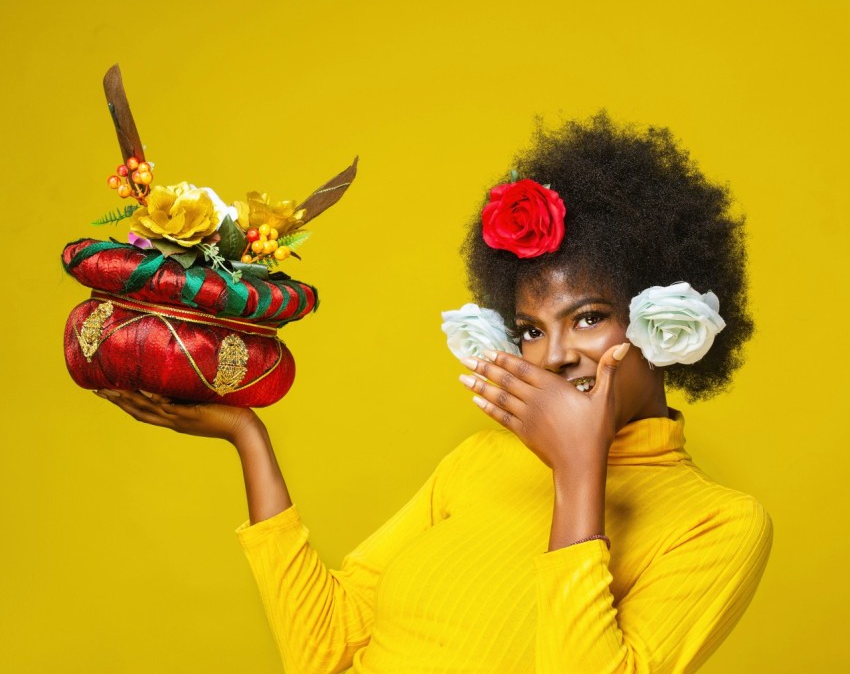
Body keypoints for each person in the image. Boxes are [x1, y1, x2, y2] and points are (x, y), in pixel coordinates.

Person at [96, 113, 772, 673]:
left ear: (660, 318)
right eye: (532, 329)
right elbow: (324, 653)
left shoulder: (718, 525)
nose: (557, 355)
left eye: (589, 318)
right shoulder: (477, 461)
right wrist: (249, 438)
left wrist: (578, 471)